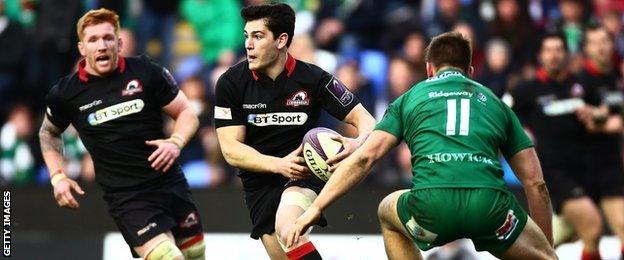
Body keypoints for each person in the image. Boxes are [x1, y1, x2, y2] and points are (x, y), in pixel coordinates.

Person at [286, 32, 556, 259]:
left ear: (429, 68)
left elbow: (364, 159)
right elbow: (536, 184)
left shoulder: (410, 98)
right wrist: (545, 246)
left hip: (430, 209)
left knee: (387, 211)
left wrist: (316, 208)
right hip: (490, 209)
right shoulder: (495, 102)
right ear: (470, 71)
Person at [38, 9, 205, 260]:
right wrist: (57, 176)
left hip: (170, 184)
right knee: (168, 257)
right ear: (82, 48)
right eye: (93, 40)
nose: (102, 45)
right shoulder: (65, 93)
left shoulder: (147, 72)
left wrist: (175, 142)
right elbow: (48, 132)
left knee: (194, 254)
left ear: (120, 42)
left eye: (107, 38)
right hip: (128, 198)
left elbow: (186, 112)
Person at [213, 3, 375, 259]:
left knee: (288, 229)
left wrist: (358, 142)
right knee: (287, 251)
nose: (248, 45)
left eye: (258, 36)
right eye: (246, 36)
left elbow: (366, 120)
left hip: (302, 173)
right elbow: (231, 149)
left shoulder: (314, 79)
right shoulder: (231, 83)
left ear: (281, 40)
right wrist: (277, 164)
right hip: (260, 182)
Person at [512, 32, 623, 260]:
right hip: (555, 172)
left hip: (588, 170)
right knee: (592, 227)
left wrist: (599, 115)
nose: (554, 55)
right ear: (540, 55)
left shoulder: (580, 84)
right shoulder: (527, 90)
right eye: (548, 50)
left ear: (566, 54)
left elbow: (601, 115)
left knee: (564, 237)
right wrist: (522, 134)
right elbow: (507, 118)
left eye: (558, 50)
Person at [559, 25, 624, 258]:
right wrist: (605, 121)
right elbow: (584, 117)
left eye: (605, 41)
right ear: (587, 48)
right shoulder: (580, 83)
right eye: (595, 42)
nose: (602, 47)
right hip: (582, 169)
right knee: (575, 234)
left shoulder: (617, 76)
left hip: (610, 167)